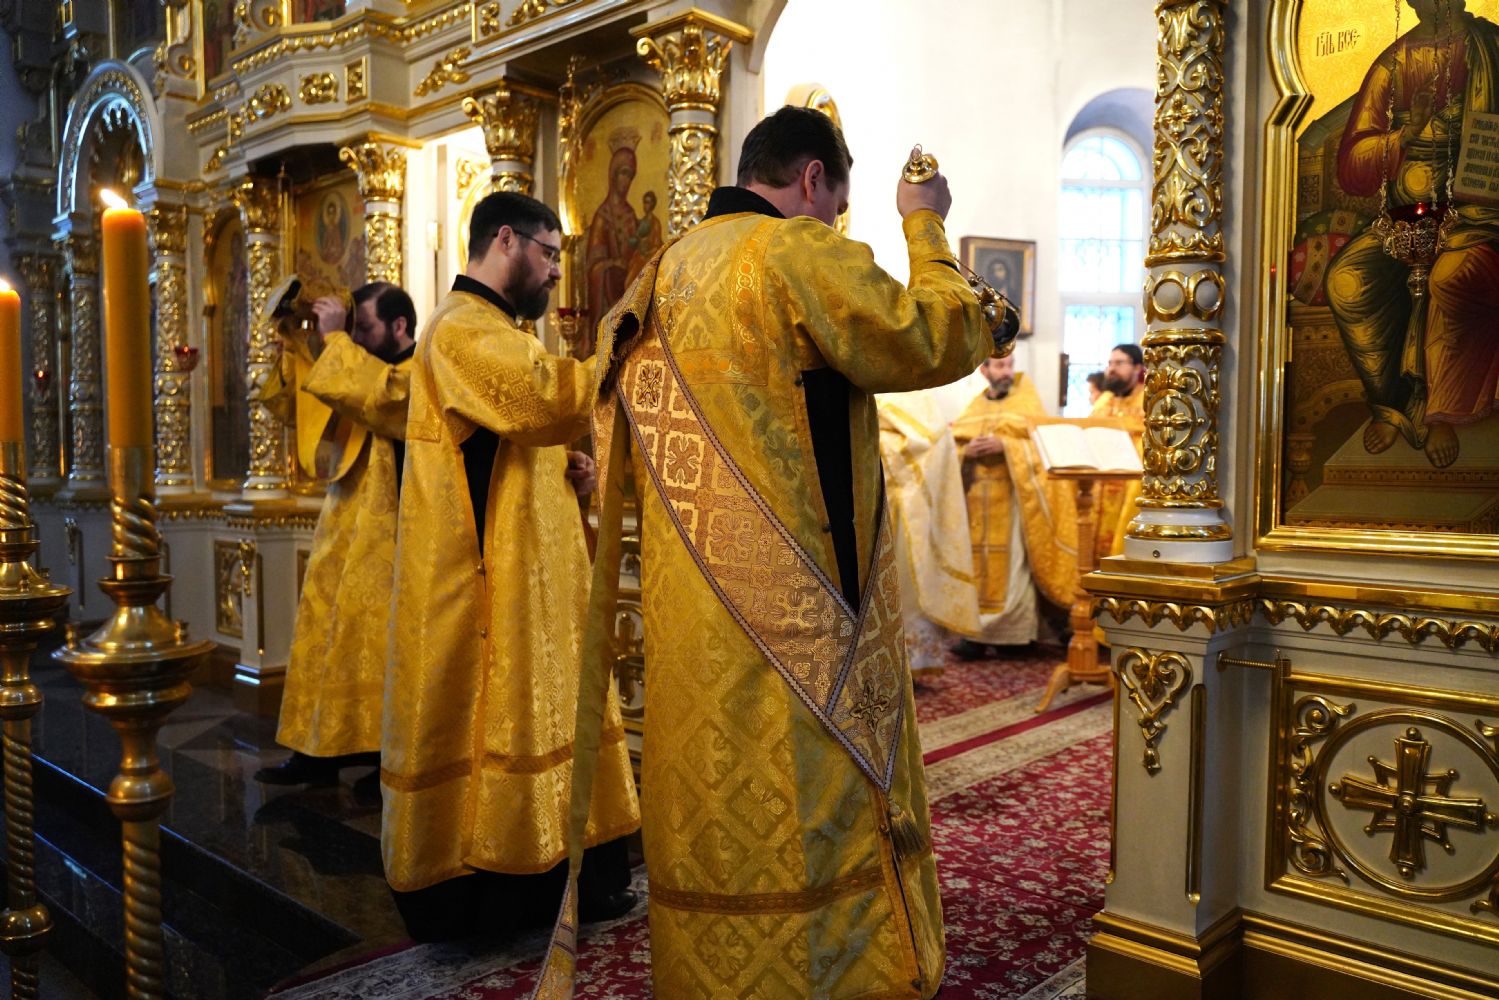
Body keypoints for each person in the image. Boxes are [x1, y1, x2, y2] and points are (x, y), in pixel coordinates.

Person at [537, 106, 993, 1000]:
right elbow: (931, 337)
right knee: (808, 803)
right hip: (798, 612)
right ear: (812, 179)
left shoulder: (656, 275)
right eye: (838, 205)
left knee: (713, 801)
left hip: (689, 617)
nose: (834, 221)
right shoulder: (793, 251)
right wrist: (924, 225)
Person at [381, 191, 640, 941]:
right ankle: (504, 899)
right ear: (506, 241)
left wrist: (569, 472)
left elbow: (513, 445)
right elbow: (539, 399)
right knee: (505, 726)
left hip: (535, 585)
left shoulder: (498, 329)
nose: (556, 271)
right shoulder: (462, 329)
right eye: (549, 253)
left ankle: (568, 883)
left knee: (554, 718)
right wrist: (623, 342)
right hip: (492, 593)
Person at [256, 282, 417, 800]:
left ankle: (383, 760)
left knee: (380, 649)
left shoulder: (416, 375)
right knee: (324, 637)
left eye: (364, 328)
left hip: (396, 540)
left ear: (399, 327)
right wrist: (297, 347)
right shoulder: (360, 368)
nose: (357, 339)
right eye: (354, 330)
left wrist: (334, 341)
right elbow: (297, 410)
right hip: (345, 528)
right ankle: (316, 753)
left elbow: (382, 400)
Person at [1325, 0, 1499, 469]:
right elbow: (1352, 167)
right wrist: (1404, 136)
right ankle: (1392, 407)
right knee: (1346, 281)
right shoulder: (1393, 65)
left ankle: (1441, 410)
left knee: (1449, 275)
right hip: (1405, 216)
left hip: (1480, 213)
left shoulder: (1491, 48)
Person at [942, 354, 1079, 659]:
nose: (1006, 371)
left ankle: (1014, 636)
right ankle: (976, 635)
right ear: (984, 370)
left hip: (1014, 498)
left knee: (1014, 567)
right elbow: (954, 444)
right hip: (977, 500)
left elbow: (1043, 446)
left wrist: (1007, 446)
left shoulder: (1027, 402)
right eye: (999, 366)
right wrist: (966, 452)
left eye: (1010, 365)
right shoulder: (974, 406)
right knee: (977, 566)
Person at [1090, 342, 1146, 557]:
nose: (1112, 369)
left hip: (1130, 483)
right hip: (1100, 482)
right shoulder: (1104, 401)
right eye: (1110, 363)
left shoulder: (1147, 399)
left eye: (1119, 363)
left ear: (1137, 367)